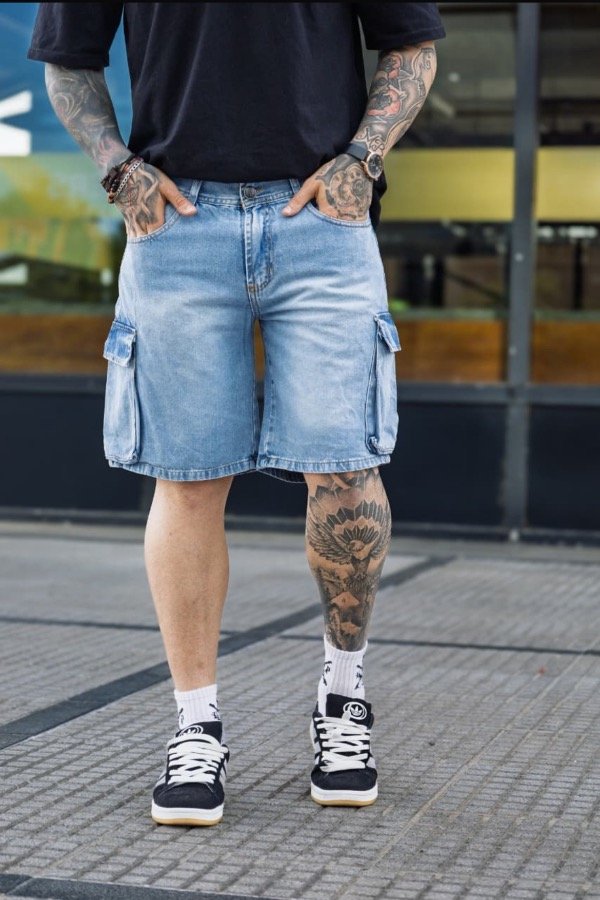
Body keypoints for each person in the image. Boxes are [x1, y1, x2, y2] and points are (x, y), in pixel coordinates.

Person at [28, 2, 445, 826]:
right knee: (186, 479)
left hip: (322, 220)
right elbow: (68, 58)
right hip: (177, 224)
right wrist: (119, 170)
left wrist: (363, 159)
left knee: (346, 468)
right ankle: (195, 727)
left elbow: (412, 44)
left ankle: (343, 702)